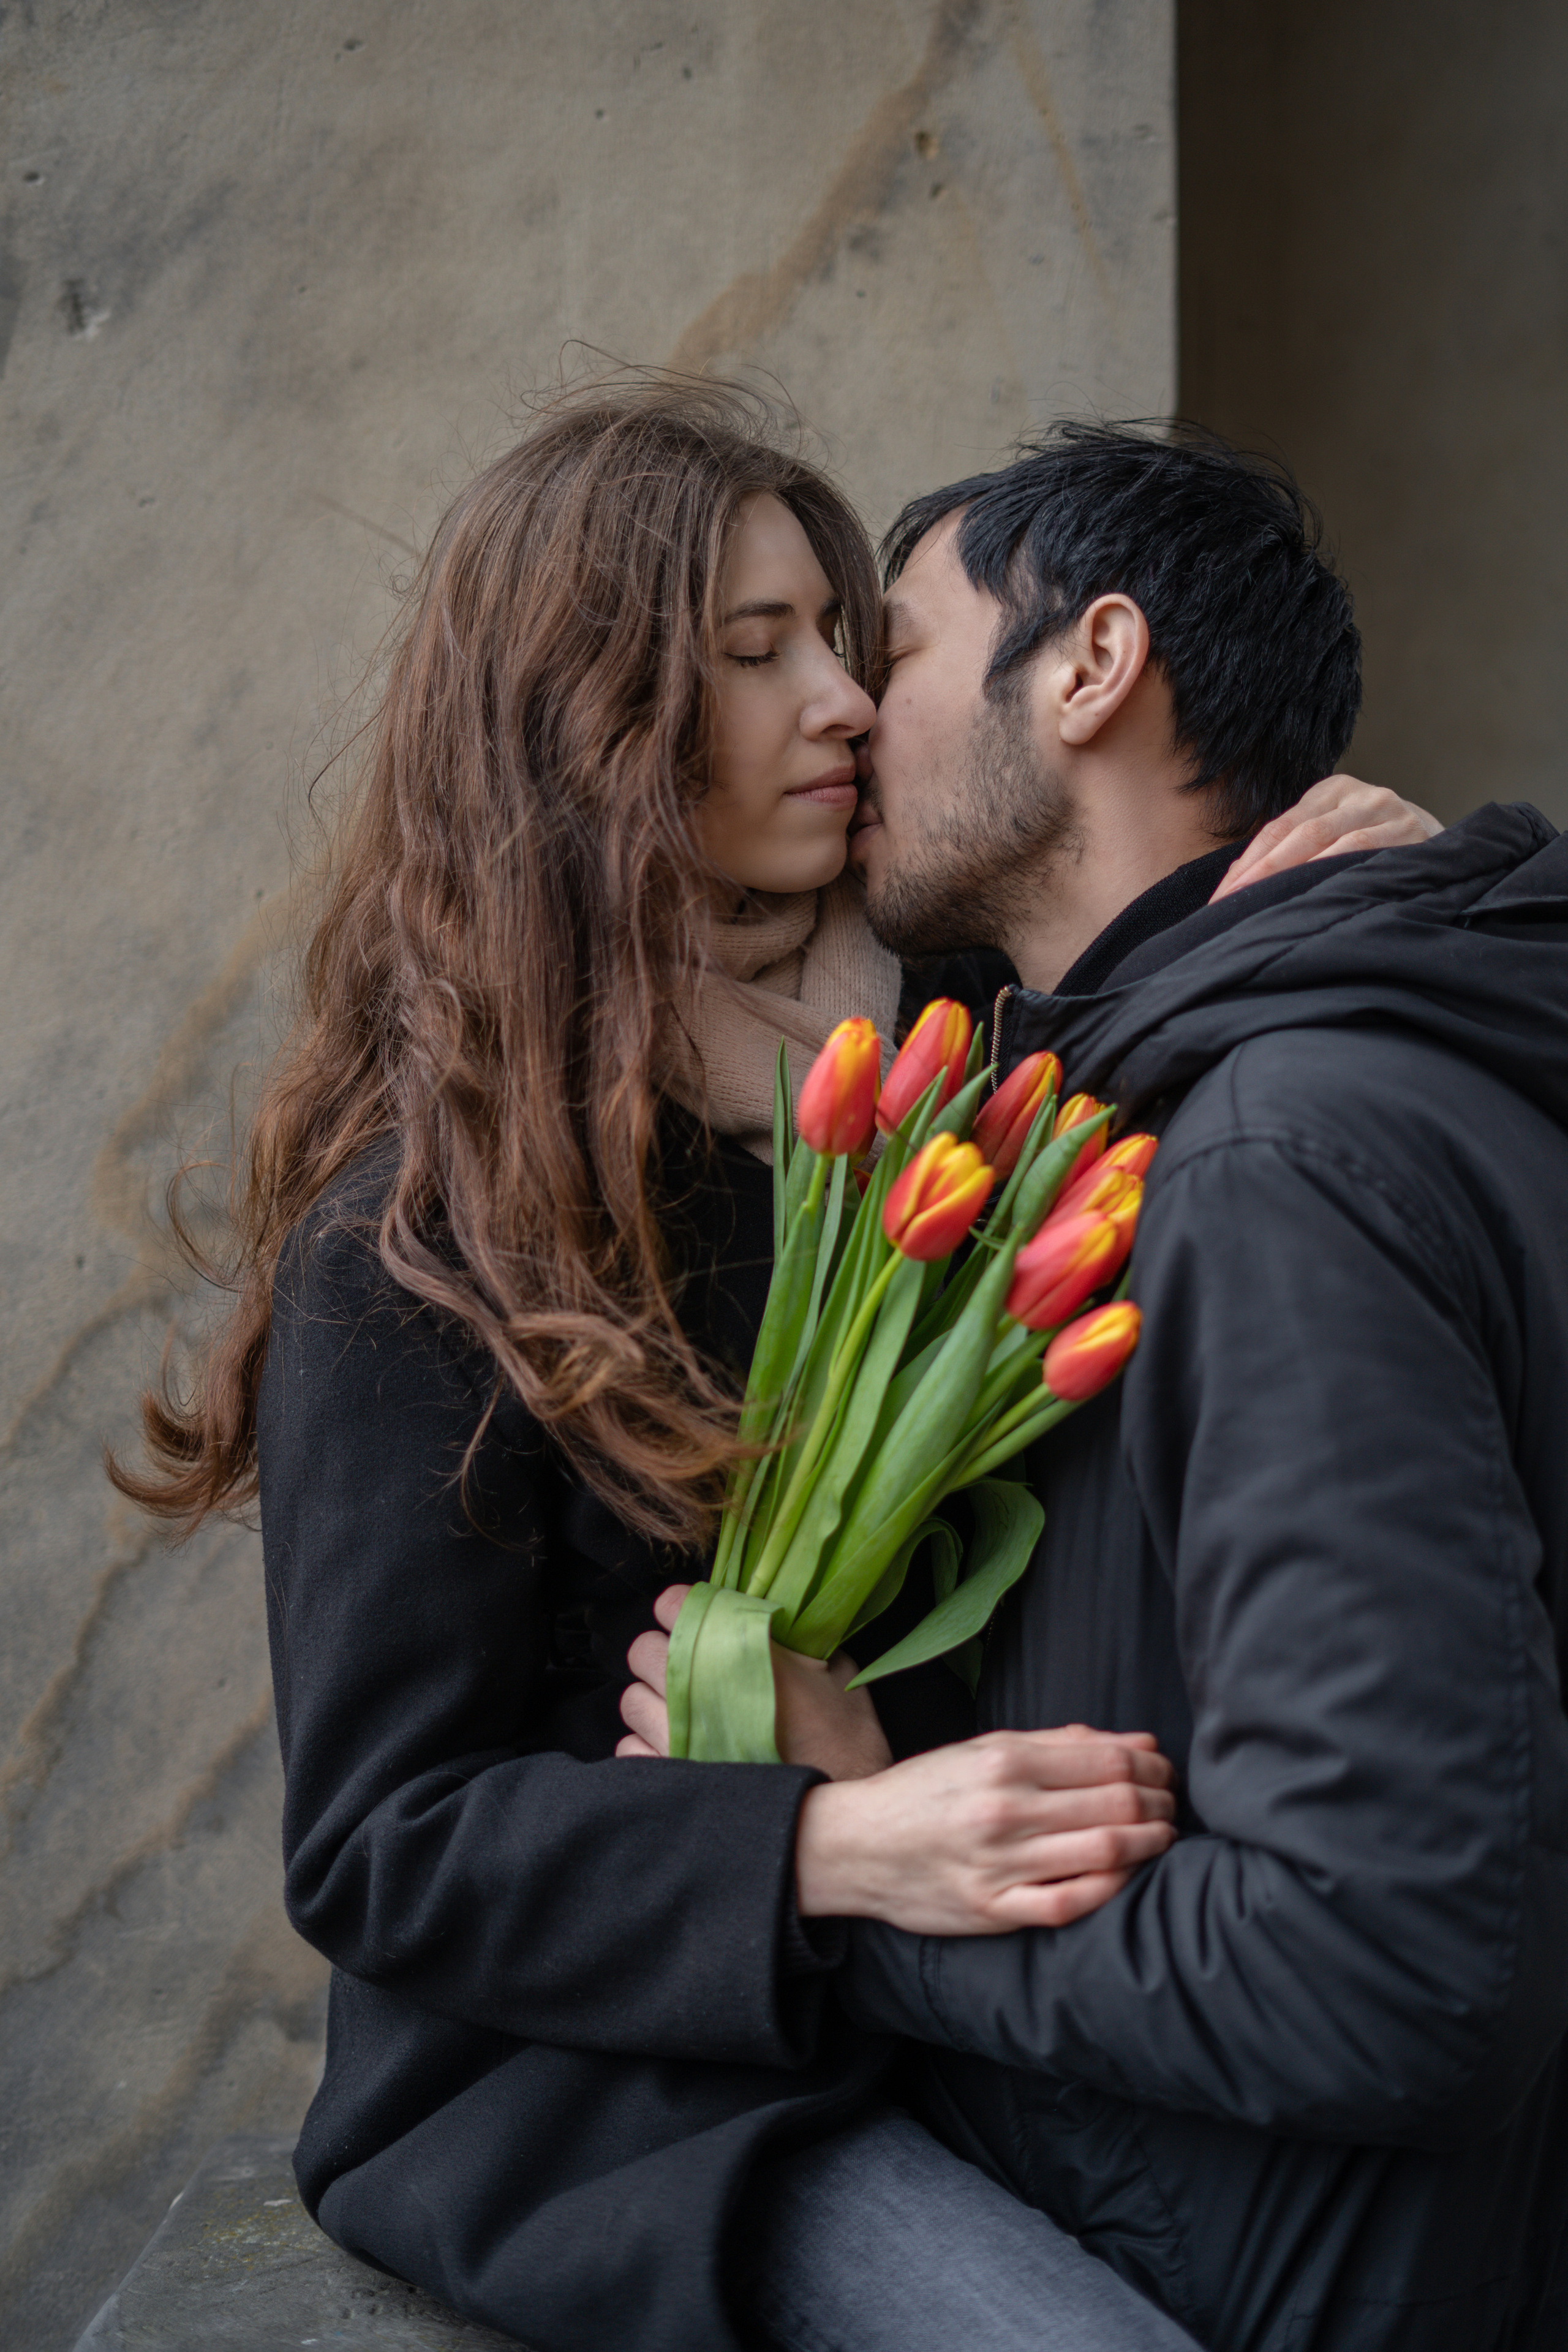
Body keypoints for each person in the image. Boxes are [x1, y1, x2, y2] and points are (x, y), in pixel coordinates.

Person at [111, 384, 1434, 2352]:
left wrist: (1376, 885)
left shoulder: (957, 1056)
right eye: (758, 652)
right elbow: (387, 1847)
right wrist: (830, 1842)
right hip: (626, 2103)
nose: (843, 704)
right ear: (586, 723)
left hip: (968, 1991)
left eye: (847, 640)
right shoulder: (424, 1232)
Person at [628, 424, 1568, 2350]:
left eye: (889, 650)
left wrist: (875, 1873)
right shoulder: (1288, 1065)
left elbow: (1393, 1971)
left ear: (1092, 664)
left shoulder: (1278, 1161)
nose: (844, 718)